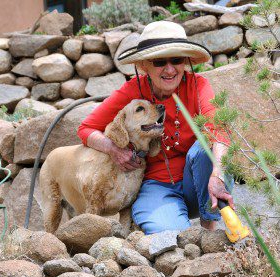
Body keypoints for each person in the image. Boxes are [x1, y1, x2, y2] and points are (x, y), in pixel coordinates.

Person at [77, 21, 234, 235]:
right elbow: (86, 129)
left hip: (198, 185)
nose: (170, 69)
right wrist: (114, 149)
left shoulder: (198, 85)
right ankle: (179, 227)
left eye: (177, 60)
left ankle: (209, 232)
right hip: (156, 185)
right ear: (144, 66)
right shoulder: (132, 91)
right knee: (171, 236)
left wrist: (218, 176)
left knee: (206, 148)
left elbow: (219, 132)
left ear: (185, 62)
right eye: (160, 62)